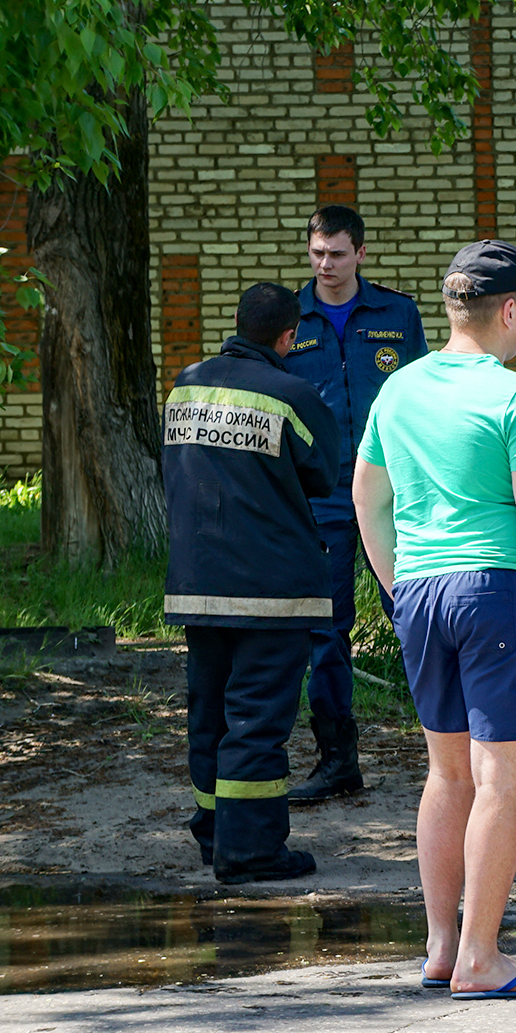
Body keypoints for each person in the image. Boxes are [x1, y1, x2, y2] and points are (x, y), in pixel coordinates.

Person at [354, 240, 516, 999]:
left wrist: (400, 588)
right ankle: (484, 959)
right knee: (501, 780)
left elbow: (367, 500)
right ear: (511, 310)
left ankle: (443, 947)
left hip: (420, 588)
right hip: (496, 592)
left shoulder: (399, 391)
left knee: (446, 775)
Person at [162, 282, 340, 883]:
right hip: (272, 588)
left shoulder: (185, 386)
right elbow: (322, 473)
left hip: (196, 583)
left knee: (208, 715)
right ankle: (252, 851)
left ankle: (215, 838)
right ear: (290, 336)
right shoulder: (292, 394)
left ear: (236, 323)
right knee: (258, 722)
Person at [286, 204, 429, 804]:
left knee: (419, 619)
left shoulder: (396, 313)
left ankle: (456, 752)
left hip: (393, 495)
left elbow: (423, 396)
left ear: (361, 254)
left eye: (337, 254)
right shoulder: (289, 315)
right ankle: (337, 759)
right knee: (326, 632)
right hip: (321, 501)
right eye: (317, 254)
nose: (326, 266)